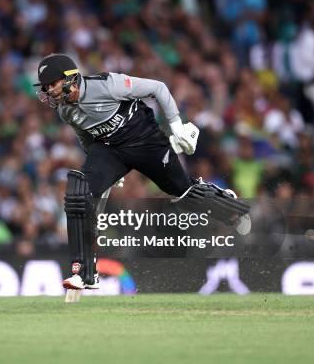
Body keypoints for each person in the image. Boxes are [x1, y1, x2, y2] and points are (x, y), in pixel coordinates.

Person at [34, 53, 248, 290]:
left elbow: (158, 88)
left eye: (51, 84)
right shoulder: (65, 110)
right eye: (45, 87)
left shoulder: (107, 85)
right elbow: (85, 136)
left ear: (70, 79)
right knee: (78, 192)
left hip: (144, 141)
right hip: (109, 150)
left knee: (183, 192)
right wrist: (100, 170)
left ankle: (230, 208)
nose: (48, 91)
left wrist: (176, 126)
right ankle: (84, 272)